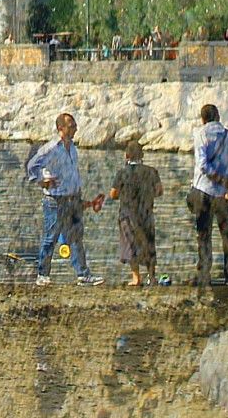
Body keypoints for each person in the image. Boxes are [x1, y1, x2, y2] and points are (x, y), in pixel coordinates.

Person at [22, 112, 97, 285]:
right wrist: (42, 181)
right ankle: (43, 275)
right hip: (55, 201)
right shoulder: (51, 148)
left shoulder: (72, 148)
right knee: (51, 238)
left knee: (76, 237)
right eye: (71, 126)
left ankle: (83, 275)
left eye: (75, 125)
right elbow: (32, 165)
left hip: (73, 198)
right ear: (60, 129)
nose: (75, 128)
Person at [188, 102, 228, 287]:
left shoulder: (200, 134)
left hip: (203, 191)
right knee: (227, 233)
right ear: (219, 117)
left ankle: (204, 274)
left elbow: (203, 165)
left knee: (204, 234)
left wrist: (219, 180)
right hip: (225, 196)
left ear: (203, 119)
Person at [99, 142, 163, 287]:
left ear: (127, 156)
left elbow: (113, 194)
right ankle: (152, 277)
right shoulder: (151, 171)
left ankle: (136, 278)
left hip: (127, 214)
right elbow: (159, 191)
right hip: (146, 213)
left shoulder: (122, 173)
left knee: (131, 245)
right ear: (142, 155)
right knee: (149, 244)